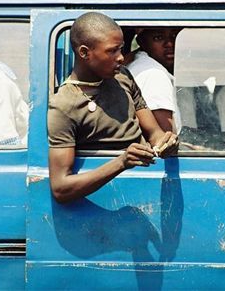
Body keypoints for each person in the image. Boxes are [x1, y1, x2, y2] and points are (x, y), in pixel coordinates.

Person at [47, 12, 178, 204]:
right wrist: (122, 162)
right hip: (105, 204)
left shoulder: (122, 78)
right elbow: (61, 188)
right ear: (84, 53)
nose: (120, 58)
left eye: (121, 49)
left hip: (144, 194)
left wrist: (165, 142)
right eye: (112, 51)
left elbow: (154, 133)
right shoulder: (64, 106)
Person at [126, 28, 182, 133]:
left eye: (175, 36)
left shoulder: (140, 63)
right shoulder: (153, 74)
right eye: (158, 38)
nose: (169, 43)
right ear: (142, 42)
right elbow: (166, 138)